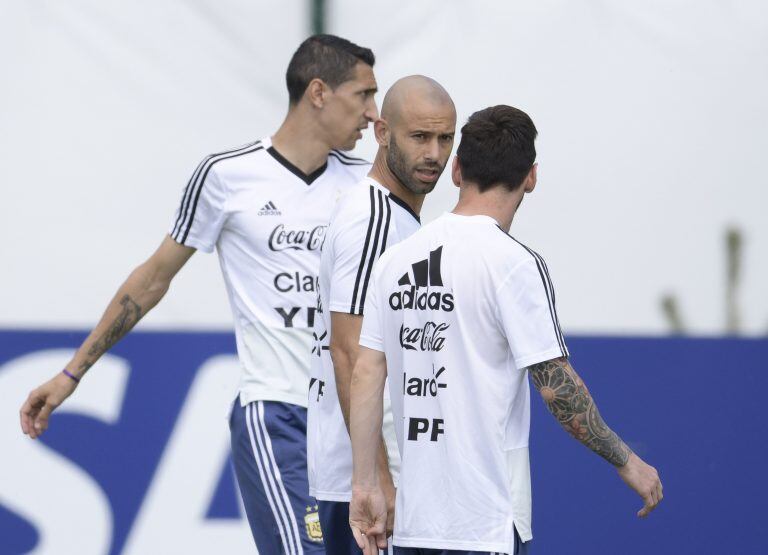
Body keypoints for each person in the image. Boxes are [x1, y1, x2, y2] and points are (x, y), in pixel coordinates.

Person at [19, 34, 379, 554]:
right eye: (362, 95)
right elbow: (153, 278)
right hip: (278, 413)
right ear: (318, 92)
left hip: (353, 422)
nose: (372, 113)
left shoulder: (368, 184)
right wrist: (72, 372)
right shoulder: (226, 176)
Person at [347, 105, 663, 555]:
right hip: (486, 522)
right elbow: (557, 388)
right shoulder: (514, 264)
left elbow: (365, 375)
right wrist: (626, 460)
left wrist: (365, 485)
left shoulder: (394, 261)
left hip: (415, 526)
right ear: (531, 177)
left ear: (456, 169)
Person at [307, 76, 456, 554]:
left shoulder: (398, 217)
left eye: (445, 138)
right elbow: (348, 352)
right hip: (364, 485)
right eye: (420, 137)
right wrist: (376, 480)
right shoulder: (373, 218)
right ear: (383, 133)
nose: (434, 153)